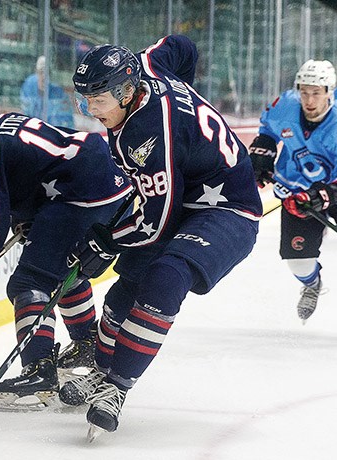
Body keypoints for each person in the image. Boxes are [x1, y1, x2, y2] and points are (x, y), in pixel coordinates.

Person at [60, 36, 262, 438]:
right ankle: (102, 374)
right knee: (126, 288)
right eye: (85, 99)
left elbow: (156, 222)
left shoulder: (150, 135)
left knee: (166, 276)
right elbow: (181, 46)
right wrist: (187, 95)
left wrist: (108, 239)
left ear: (125, 91)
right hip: (183, 193)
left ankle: (116, 388)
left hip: (229, 208)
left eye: (98, 100)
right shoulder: (146, 64)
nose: (89, 110)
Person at [0, 111, 133, 409]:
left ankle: (39, 368)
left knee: (29, 282)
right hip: (108, 183)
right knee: (60, 268)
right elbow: (37, 168)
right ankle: (87, 342)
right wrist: (31, 217)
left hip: (81, 194)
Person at [249, 59, 337, 320]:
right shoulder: (285, 105)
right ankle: (312, 285)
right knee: (298, 260)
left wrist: (326, 195)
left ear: (329, 93)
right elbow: (268, 129)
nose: (309, 100)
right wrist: (262, 151)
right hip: (296, 193)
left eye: (316, 93)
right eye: (304, 92)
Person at [20, 56, 75, 128]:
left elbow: (66, 122)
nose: (43, 77)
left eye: (46, 73)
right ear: (36, 72)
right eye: (41, 72)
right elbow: (26, 114)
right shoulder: (29, 85)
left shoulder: (59, 93)